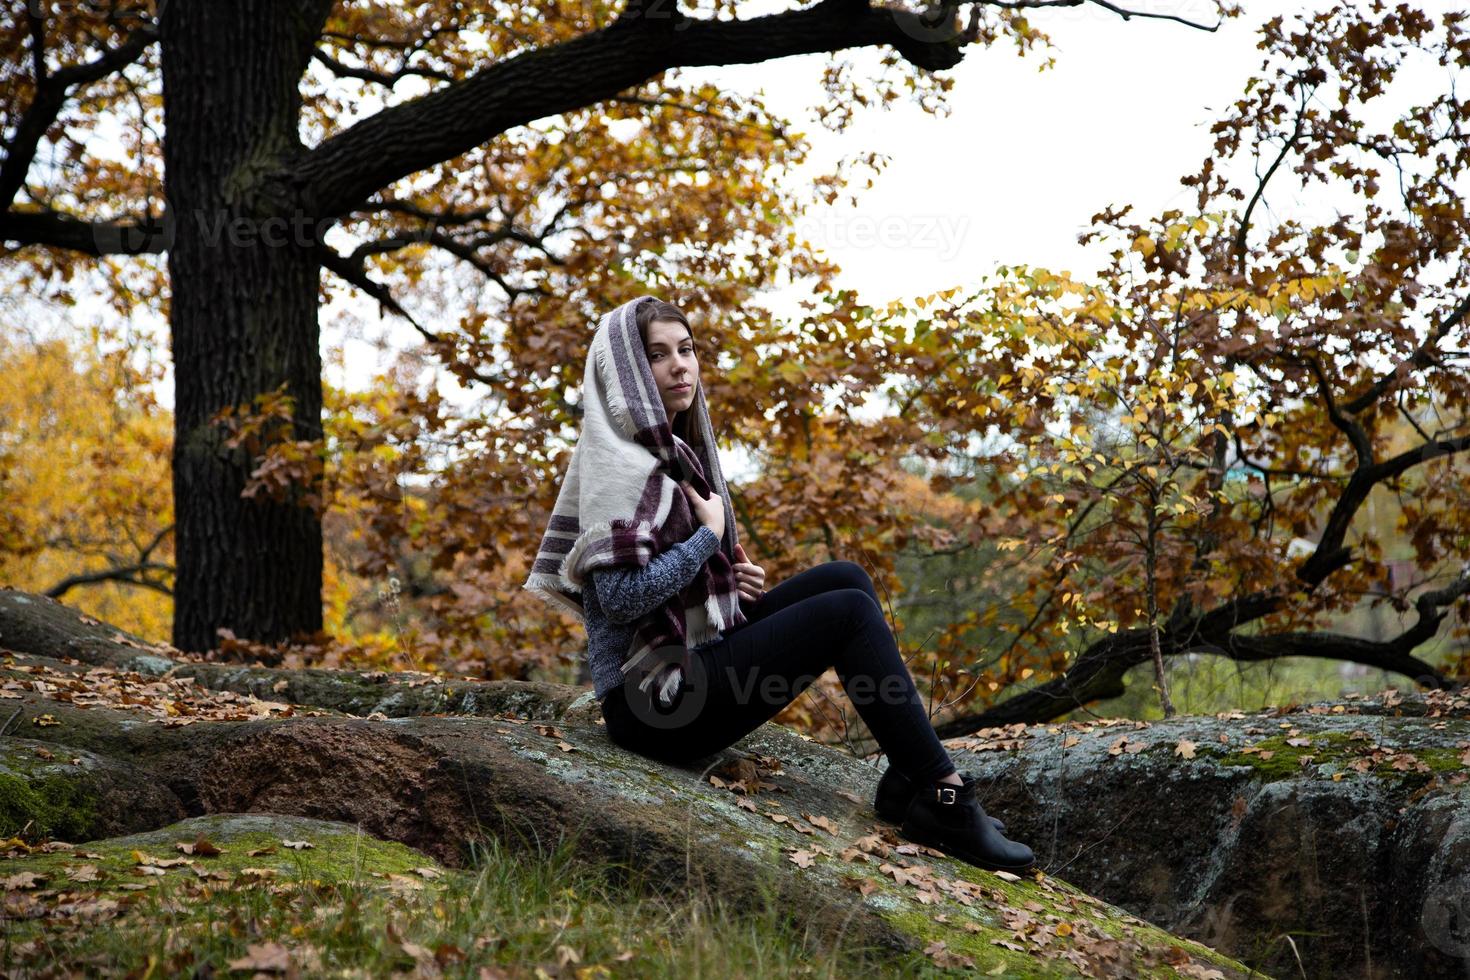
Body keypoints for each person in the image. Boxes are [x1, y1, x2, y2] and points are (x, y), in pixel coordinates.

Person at [525, 295, 1034, 873]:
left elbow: (668, 593)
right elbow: (619, 602)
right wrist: (702, 544)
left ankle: (906, 781)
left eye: (686, 350)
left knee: (848, 579)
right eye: (657, 356)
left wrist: (725, 585)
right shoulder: (620, 468)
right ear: (626, 378)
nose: (680, 366)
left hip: (684, 666)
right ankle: (946, 796)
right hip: (653, 708)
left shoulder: (670, 455)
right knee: (847, 614)